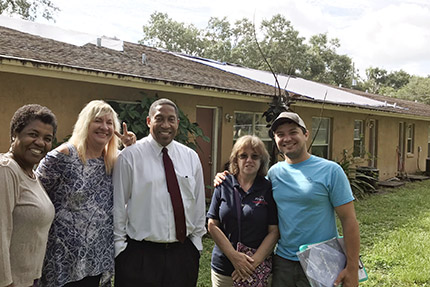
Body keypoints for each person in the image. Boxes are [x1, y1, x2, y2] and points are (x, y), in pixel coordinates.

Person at [215, 112, 360, 287]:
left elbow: (349, 220)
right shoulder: (274, 173)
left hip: (321, 259)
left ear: (305, 134)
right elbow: (248, 187)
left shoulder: (331, 171)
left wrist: (352, 268)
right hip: (283, 261)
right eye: (280, 134)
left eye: (293, 132)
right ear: (275, 140)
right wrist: (225, 178)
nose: (287, 138)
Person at [36, 100, 136, 287]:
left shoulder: (113, 162)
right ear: (85, 124)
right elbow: (33, 195)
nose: (104, 127)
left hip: (97, 259)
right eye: (98, 121)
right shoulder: (62, 156)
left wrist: (131, 149)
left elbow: (136, 182)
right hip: (61, 260)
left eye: (109, 122)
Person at [113, 98, 206, 287]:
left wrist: (195, 244)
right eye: (159, 118)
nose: (166, 125)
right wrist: (120, 250)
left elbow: (198, 204)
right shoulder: (129, 157)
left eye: (171, 119)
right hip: (139, 256)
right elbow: (118, 206)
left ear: (177, 123)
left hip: (182, 255)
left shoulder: (190, 157)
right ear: (149, 121)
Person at [207, 135, 279, 287]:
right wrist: (234, 257)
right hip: (224, 268)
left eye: (255, 156)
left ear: (262, 161)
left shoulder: (268, 189)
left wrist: (251, 264)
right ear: (235, 160)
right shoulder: (223, 184)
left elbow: (274, 231)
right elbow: (212, 224)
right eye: (243, 156)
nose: (249, 160)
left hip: (257, 270)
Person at [0, 104, 57, 287]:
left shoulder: (30, 174)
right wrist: (6, 282)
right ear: (15, 134)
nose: (40, 142)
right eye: (33, 134)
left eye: (47, 138)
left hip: (29, 280)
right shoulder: (6, 170)